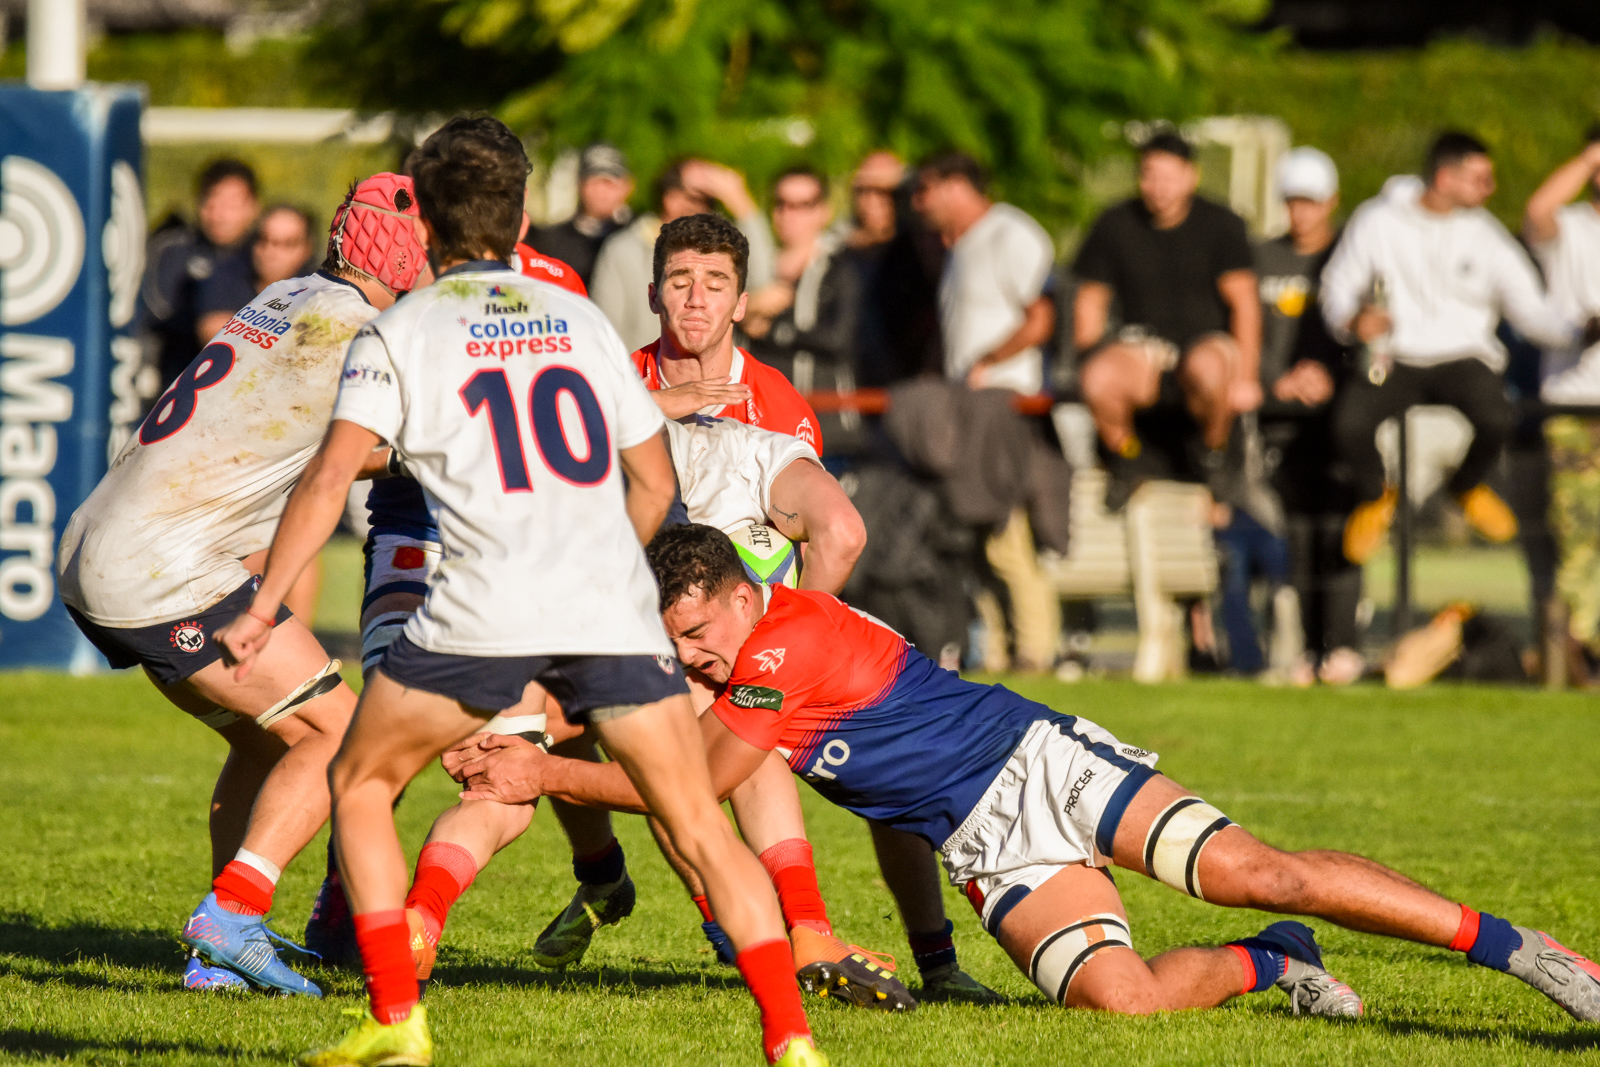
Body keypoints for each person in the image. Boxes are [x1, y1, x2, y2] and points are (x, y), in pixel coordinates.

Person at [216, 117, 825, 1067]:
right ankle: (791, 1041)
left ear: (426, 225)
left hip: (481, 604)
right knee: (702, 824)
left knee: (361, 781)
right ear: (522, 217)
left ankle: (396, 1018)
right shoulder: (581, 321)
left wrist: (264, 605)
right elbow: (652, 480)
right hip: (602, 607)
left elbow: (332, 474)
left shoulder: (404, 328)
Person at [461, 522, 1600, 1027]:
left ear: (742, 597)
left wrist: (542, 775)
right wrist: (535, 729)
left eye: (702, 634)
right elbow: (649, 721)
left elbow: (694, 785)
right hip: (985, 842)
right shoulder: (734, 649)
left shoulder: (783, 641)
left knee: (1259, 869)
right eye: (680, 645)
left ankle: (1529, 953)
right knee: (1120, 999)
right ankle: (1275, 963)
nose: (696, 658)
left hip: (1036, 764)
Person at [54, 173, 429, 997]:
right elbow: (362, 453)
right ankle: (231, 914)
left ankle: (217, 954)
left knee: (266, 740)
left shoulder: (286, 294)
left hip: (101, 543)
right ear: (407, 254)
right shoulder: (359, 331)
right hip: (160, 566)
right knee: (340, 734)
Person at [1322, 131, 1592, 565]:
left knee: (1497, 417)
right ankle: (1376, 496)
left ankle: (1466, 486)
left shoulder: (1486, 235)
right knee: (1350, 423)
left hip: (1462, 356)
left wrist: (1580, 332)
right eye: (1480, 179)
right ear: (1445, 178)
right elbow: (1337, 286)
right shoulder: (1378, 221)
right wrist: (1352, 320)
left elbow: (1531, 311)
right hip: (1397, 354)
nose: (1491, 189)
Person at [913, 151, 1059, 674]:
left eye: (926, 189)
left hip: (1007, 408)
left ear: (957, 185)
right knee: (974, 536)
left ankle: (1036, 650)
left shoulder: (1010, 233)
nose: (919, 203)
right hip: (970, 408)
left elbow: (1042, 316)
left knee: (1008, 536)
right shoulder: (961, 246)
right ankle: (995, 651)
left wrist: (989, 361)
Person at [1073, 131, 1262, 509]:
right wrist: (1087, 356)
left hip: (1206, 347)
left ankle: (1213, 452)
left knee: (1207, 368)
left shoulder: (1221, 224)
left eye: (1169, 177)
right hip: (1143, 349)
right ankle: (1128, 456)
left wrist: (1246, 378)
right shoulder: (1114, 223)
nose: (1158, 188)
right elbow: (1090, 299)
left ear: (1191, 176)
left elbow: (1245, 303)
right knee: (1095, 379)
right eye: (1150, 176)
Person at [1254, 147, 1365, 685]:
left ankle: (1342, 646)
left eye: (1312, 202)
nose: (1301, 212)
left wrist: (1331, 377)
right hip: (1279, 419)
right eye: (1293, 201)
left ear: (1332, 201)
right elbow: (1244, 332)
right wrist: (1277, 380)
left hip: (1340, 418)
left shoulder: (1353, 254)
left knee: (1340, 530)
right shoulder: (1261, 258)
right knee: (1295, 535)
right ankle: (1303, 649)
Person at [1524, 126, 1600, 674]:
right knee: (1583, 534)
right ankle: (1588, 649)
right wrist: (1590, 157)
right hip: (1577, 403)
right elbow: (1538, 211)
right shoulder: (1571, 228)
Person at [591, 159, 775, 351]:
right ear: (670, 197)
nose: (706, 209)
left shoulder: (721, 251)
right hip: (643, 368)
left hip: (711, 369)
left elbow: (762, 282)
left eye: (712, 201)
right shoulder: (624, 249)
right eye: (698, 198)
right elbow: (605, 328)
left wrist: (740, 202)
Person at [141, 159, 261, 391]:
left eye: (231, 205)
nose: (218, 215)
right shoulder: (173, 249)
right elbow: (155, 316)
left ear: (254, 207)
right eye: (210, 203)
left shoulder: (265, 250)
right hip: (179, 379)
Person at [530, 142, 633, 287]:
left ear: (627, 187)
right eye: (594, 182)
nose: (601, 192)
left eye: (608, 183)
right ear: (579, 184)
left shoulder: (639, 236)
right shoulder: (550, 241)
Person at [251, 205, 318, 292]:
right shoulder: (234, 285)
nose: (270, 252)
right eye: (264, 240)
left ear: (307, 249)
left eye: (287, 244)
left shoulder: (319, 295)